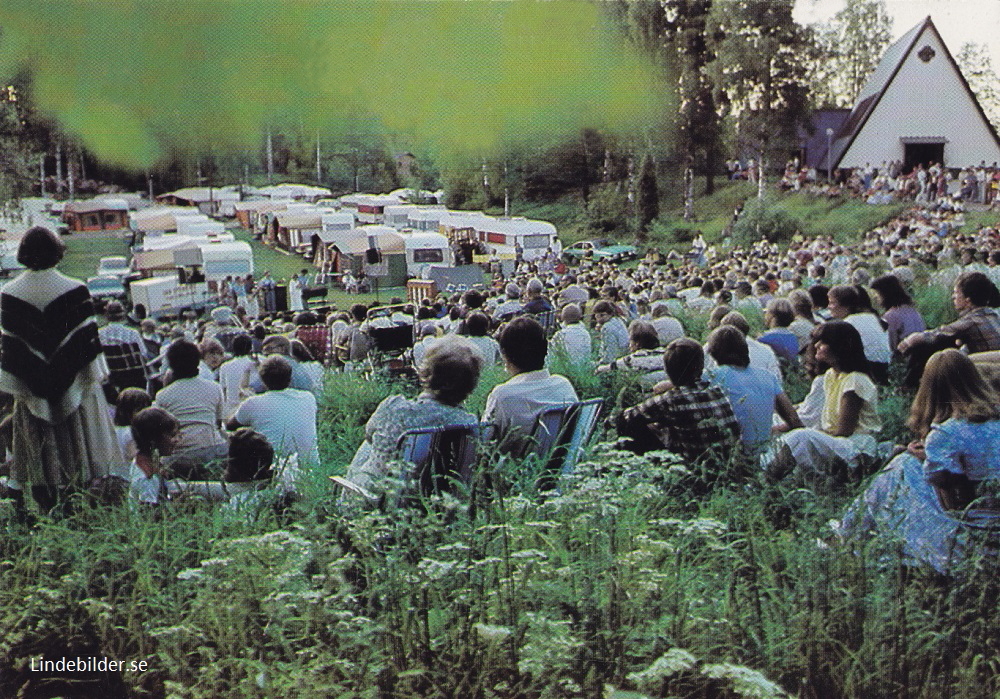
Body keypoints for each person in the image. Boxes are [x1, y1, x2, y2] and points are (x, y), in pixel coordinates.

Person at [835, 350, 1000, 573]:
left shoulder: (946, 433)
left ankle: (848, 534)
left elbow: (952, 503)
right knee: (907, 461)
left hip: (973, 534)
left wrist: (929, 457)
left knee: (901, 465)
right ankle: (849, 531)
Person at [0, 227, 125, 510]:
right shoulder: (76, 288)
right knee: (78, 462)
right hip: (76, 395)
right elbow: (87, 352)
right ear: (58, 251)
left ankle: (47, 516)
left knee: (42, 467)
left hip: (32, 396)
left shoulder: (9, 293)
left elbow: (14, 355)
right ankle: (78, 515)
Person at [345, 337, 483, 494]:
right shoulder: (467, 423)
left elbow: (369, 435)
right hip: (438, 501)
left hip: (380, 499)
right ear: (471, 383)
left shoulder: (393, 407)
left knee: (369, 443)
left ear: (425, 372)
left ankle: (344, 498)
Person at [763, 321, 881, 484]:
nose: (817, 345)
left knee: (800, 437)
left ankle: (767, 479)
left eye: (824, 342)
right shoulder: (831, 376)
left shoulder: (855, 381)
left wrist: (812, 436)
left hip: (855, 446)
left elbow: (844, 430)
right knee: (796, 436)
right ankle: (771, 475)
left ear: (840, 346)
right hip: (837, 441)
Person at [616, 338, 740, 464]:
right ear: (701, 366)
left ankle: (641, 465)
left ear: (667, 371)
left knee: (627, 421)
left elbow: (628, 416)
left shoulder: (671, 399)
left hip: (695, 469)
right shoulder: (718, 391)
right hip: (728, 466)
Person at [484, 316, 578, 454]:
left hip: (514, 471)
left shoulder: (503, 395)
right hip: (560, 467)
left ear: (505, 356)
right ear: (545, 350)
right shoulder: (563, 384)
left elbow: (484, 443)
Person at [705, 326, 802, 457]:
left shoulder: (711, 376)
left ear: (713, 353)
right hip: (764, 454)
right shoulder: (767, 376)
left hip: (730, 457)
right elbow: (794, 420)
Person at [898, 271, 1000, 385]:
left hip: (990, 374)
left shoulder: (971, 321)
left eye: (956, 293)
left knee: (927, 346)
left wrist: (910, 340)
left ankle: (912, 387)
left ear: (968, 299)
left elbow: (938, 334)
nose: (953, 297)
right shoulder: (993, 314)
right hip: (993, 364)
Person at [228, 355, 320, 467]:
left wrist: (242, 402)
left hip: (273, 468)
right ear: (290, 378)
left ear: (262, 381)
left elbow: (230, 425)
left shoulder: (253, 403)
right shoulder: (308, 397)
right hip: (310, 467)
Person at [153, 338, 226, 453]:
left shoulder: (162, 395)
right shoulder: (215, 387)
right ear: (198, 360)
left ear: (171, 365)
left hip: (181, 453)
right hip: (212, 449)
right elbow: (218, 423)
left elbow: (163, 433)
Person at [827, 284, 891, 383]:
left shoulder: (848, 323)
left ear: (845, 305)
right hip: (885, 368)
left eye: (832, 303)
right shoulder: (873, 317)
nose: (829, 307)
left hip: (867, 369)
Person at [128, 406, 182, 506]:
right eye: (172, 435)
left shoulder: (141, 461)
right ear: (153, 440)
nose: (177, 440)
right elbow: (149, 512)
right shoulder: (149, 476)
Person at [870, 274, 926, 358]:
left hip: (906, 358)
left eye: (877, 294)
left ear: (885, 293)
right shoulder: (912, 310)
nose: (875, 297)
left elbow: (890, 347)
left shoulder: (891, 316)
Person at [549, 303, 592, 367]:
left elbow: (551, 352)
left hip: (566, 368)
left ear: (563, 317)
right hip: (583, 366)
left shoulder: (561, 334)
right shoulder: (585, 333)